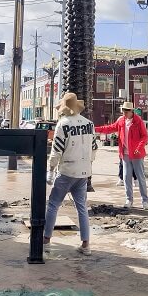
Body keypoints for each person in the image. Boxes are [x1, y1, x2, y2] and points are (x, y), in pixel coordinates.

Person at [44, 92, 97, 256]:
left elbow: (56, 152)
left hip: (66, 172)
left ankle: (46, 242)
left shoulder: (63, 124)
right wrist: (88, 165)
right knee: (82, 208)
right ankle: (86, 244)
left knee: (53, 204)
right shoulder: (89, 124)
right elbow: (94, 149)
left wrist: (51, 170)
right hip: (83, 173)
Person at [96, 101, 148, 209]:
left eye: (127, 111)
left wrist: (139, 148)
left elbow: (145, 136)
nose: (124, 113)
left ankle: (145, 201)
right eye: (123, 111)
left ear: (131, 111)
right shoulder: (121, 121)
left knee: (140, 178)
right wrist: (96, 129)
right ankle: (129, 199)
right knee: (126, 177)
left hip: (137, 155)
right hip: (125, 154)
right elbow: (110, 128)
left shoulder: (138, 121)